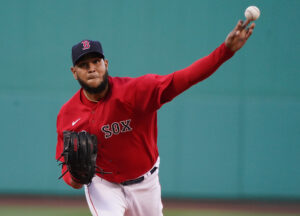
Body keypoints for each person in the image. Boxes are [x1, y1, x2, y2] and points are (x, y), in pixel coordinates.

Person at [56, 20, 255, 216]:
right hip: (103, 185)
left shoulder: (135, 91)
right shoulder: (68, 114)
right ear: (74, 72)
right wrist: (76, 179)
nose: (91, 68)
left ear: (106, 64)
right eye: (83, 64)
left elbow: (185, 78)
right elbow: (68, 171)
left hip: (145, 183)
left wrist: (225, 51)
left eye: (96, 61)